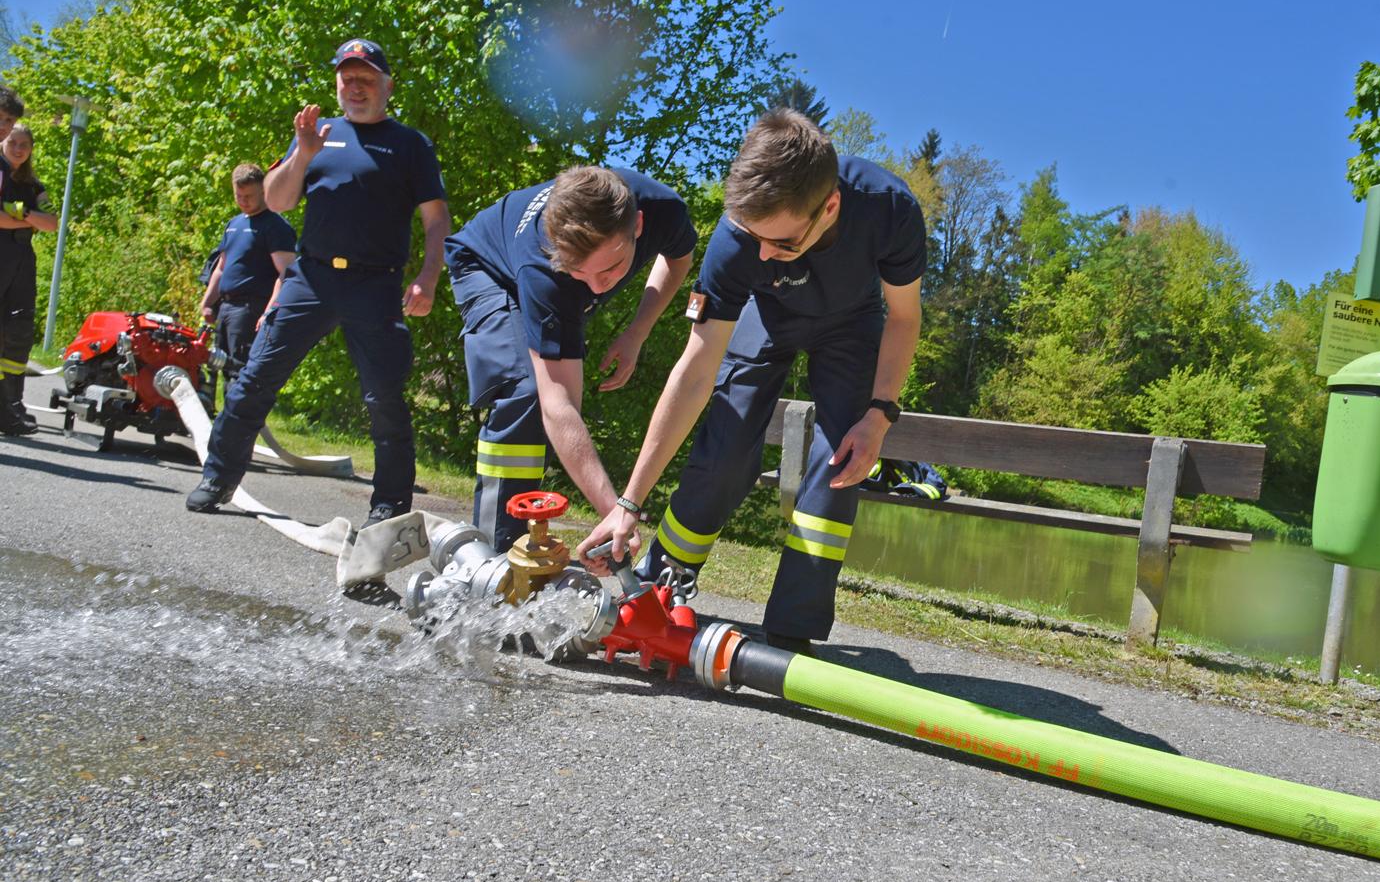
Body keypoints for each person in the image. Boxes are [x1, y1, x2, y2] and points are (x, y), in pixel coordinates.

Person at [578, 110, 926, 654]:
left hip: (853, 324)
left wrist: (879, 414)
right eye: (753, 237)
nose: (763, 252)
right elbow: (694, 371)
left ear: (829, 206)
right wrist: (629, 500)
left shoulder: (890, 209)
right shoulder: (737, 241)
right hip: (766, 312)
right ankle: (661, 582)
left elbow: (904, 317)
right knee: (726, 440)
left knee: (841, 459)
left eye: (782, 243)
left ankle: (793, 629)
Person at [186, 38, 450, 526]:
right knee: (254, 380)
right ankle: (217, 478)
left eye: (366, 78)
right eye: (347, 78)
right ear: (337, 84)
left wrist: (428, 277)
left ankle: (389, 506)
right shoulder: (317, 133)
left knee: (384, 398)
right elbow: (278, 200)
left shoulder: (411, 145)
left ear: (386, 86)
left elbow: (436, 219)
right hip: (311, 278)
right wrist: (303, 154)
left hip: (376, 286)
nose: (355, 87)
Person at [446, 166, 696, 551]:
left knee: (544, 399)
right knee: (527, 393)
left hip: (546, 272)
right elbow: (558, 406)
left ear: (639, 225)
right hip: (484, 267)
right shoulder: (546, 273)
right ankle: (491, 554)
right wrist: (614, 512)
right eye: (579, 270)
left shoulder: (665, 209)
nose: (595, 287)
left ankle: (513, 542)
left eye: (611, 268)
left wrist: (637, 332)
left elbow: (679, 258)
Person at [197, 163, 297, 401]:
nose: (243, 201)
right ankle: (216, 417)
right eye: (238, 196)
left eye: (249, 196)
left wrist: (270, 311)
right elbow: (221, 267)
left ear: (263, 191)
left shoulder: (275, 226)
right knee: (216, 363)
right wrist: (208, 302)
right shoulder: (234, 224)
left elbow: (287, 273)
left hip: (250, 309)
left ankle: (237, 421)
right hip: (226, 306)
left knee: (239, 368)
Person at [0, 123, 60, 436]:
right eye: (14, 142)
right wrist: (25, 220)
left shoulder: (34, 186)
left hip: (23, 261)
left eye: (25, 144)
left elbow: (51, 223)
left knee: (19, 333)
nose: (19, 148)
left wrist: (21, 215)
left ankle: (13, 403)